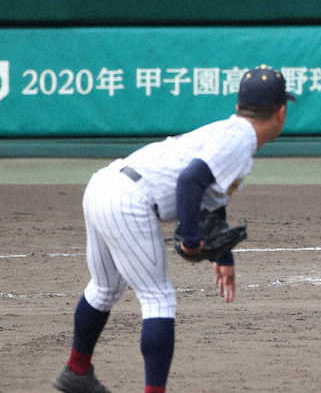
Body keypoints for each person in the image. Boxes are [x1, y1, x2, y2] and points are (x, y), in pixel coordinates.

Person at [52, 66, 295, 393]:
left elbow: (211, 195)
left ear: (240, 105)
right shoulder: (240, 141)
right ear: (281, 112)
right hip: (128, 200)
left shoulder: (230, 131)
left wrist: (223, 257)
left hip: (104, 185)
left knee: (105, 289)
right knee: (159, 299)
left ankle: (76, 372)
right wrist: (192, 240)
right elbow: (189, 181)